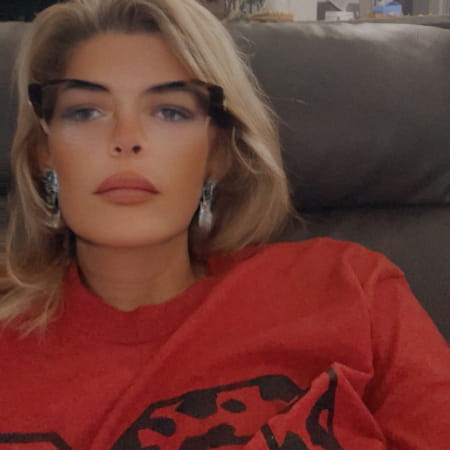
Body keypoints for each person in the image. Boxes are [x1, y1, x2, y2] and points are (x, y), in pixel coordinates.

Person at [0, 0, 448, 448]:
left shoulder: (351, 287)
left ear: (217, 155)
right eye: (85, 112)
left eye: (170, 111)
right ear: (45, 152)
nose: (126, 139)